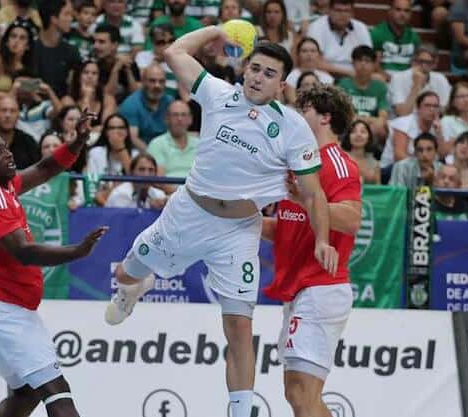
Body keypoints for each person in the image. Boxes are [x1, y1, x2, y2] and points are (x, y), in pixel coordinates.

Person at [106, 30, 337, 417]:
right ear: (245, 68)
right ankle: (132, 290)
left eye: (268, 74)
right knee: (129, 271)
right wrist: (215, 31)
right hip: (188, 214)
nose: (257, 77)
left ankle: (240, 410)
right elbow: (172, 52)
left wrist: (322, 240)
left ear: (281, 85)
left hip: (238, 231)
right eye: (254, 68)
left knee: (239, 326)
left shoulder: (294, 129)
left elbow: (314, 194)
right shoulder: (216, 92)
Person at [0, 118, 107, 417]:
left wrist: (78, 142)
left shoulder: (3, 187)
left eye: (5, 147)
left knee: (26, 395)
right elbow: (24, 252)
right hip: (4, 314)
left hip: (1, 310)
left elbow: (45, 169)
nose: (7, 153)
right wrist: (77, 251)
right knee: (58, 393)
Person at [262, 84, 361, 417]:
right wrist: (242, 221)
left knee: (302, 395)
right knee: (297, 394)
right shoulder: (298, 163)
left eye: (303, 110)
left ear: (325, 117)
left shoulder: (338, 163)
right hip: (299, 290)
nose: (296, 116)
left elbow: (351, 219)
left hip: (322, 287)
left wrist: (306, 198)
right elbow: (286, 228)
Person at [305, 0, 372, 78]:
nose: (342, 15)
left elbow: (369, 58)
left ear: (352, 13)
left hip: (356, 74)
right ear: (329, 11)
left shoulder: (361, 27)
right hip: (326, 74)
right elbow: (315, 61)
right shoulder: (316, 27)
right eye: (338, 10)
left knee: (378, 79)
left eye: (346, 11)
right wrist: (347, 73)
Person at [30, 0, 82, 99]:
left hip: (63, 104)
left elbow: (74, 86)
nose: (71, 19)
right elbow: (22, 82)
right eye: (66, 14)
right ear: (53, 19)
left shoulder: (71, 51)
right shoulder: (30, 48)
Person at [337, 45, 390, 140]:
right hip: (349, 126)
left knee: (380, 128)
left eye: (367, 61)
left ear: (374, 65)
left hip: (371, 129)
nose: (363, 64)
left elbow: (382, 118)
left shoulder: (380, 87)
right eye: (359, 60)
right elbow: (342, 115)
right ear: (353, 63)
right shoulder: (343, 84)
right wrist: (370, 120)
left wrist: (359, 119)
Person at [381, 91, 443, 169]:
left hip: (422, 167)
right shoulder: (404, 123)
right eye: (427, 106)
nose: (431, 109)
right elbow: (399, 156)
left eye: (435, 106)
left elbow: (441, 156)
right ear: (418, 108)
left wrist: (439, 134)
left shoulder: (437, 126)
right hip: (392, 168)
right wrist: (423, 166)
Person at [389, 45, 451, 116]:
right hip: (404, 123)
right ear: (412, 62)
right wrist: (416, 86)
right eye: (420, 61)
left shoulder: (441, 79)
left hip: (432, 121)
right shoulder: (398, 78)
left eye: (428, 62)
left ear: (435, 64)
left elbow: (445, 108)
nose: (423, 65)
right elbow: (402, 113)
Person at [119, 64, 173, 146]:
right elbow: (133, 139)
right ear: (143, 81)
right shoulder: (130, 104)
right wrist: (153, 155)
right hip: (140, 151)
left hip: (167, 148)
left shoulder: (171, 102)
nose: (157, 85)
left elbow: (178, 132)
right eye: (152, 81)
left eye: (161, 81)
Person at [147, 99, 199, 180]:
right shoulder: (156, 144)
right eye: (175, 115)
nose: (180, 119)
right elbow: (159, 180)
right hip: (168, 192)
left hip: (197, 191)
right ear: (166, 119)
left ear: (190, 119)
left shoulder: (200, 144)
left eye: (184, 114)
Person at [0, 22, 34, 101]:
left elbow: (34, 92)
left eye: (22, 38)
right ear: (7, 41)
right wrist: (10, 96)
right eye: (13, 36)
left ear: (28, 46)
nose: (16, 41)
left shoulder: (28, 66)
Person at [61, 60, 117, 131]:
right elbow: (82, 129)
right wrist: (86, 99)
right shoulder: (67, 100)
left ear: (99, 78)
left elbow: (108, 128)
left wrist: (93, 129)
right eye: (85, 72)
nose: (90, 76)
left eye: (94, 73)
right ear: (78, 77)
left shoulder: (108, 99)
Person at [370, 0, 421, 78]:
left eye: (406, 11)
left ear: (411, 14)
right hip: (383, 80)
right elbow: (373, 64)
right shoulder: (376, 34)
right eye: (398, 10)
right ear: (390, 11)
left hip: (406, 82)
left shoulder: (414, 37)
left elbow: (415, 65)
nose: (402, 14)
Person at [0, 96, 41, 169]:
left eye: (12, 111)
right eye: (3, 110)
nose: (8, 115)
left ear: (18, 116)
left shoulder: (28, 142)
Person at [283, 38, 334, 104]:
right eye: (304, 51)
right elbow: (293, 101)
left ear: (319, 54)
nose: (309, 54)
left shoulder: (327, 78)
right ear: (298, 54)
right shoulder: (290, 77)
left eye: (313, 51)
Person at [341, 119, 380, 184]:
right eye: (353, 131)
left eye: (363, 132)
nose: (358, 135)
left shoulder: (375, 163)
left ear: (369, 137)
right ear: (348, 136)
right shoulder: (341, 159)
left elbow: (378, 189)